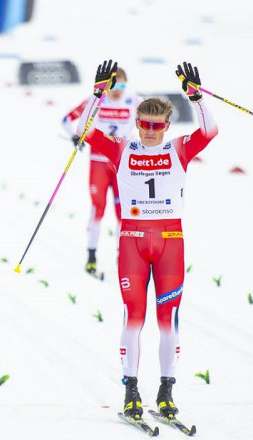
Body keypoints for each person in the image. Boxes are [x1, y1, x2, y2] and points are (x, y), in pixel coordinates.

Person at [83, 60, 218, 422]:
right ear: (136, 123)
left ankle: (166, 390)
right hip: (132, 244)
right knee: (133, 318)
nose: (150, 132)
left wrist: (197, 97)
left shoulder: (178, 149)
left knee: (168, 320)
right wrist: (97, 95)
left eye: (157, 126)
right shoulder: (121, 148)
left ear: (167, 126)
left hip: (171, 243)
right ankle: (130, 391)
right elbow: (83, 130)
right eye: (144, 125)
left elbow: (211, 130)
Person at [62, 67, 139, 277]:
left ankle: (122, 256)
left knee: (124, 213)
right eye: (113, 85)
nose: (117, 90)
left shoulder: (134, 101)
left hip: (122, 164)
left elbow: (154, 121)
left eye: (122, 85)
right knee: (98, 209)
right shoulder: (95, 100)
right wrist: (75, 138)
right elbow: (66, 120)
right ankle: (91, 256)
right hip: (98, 163)